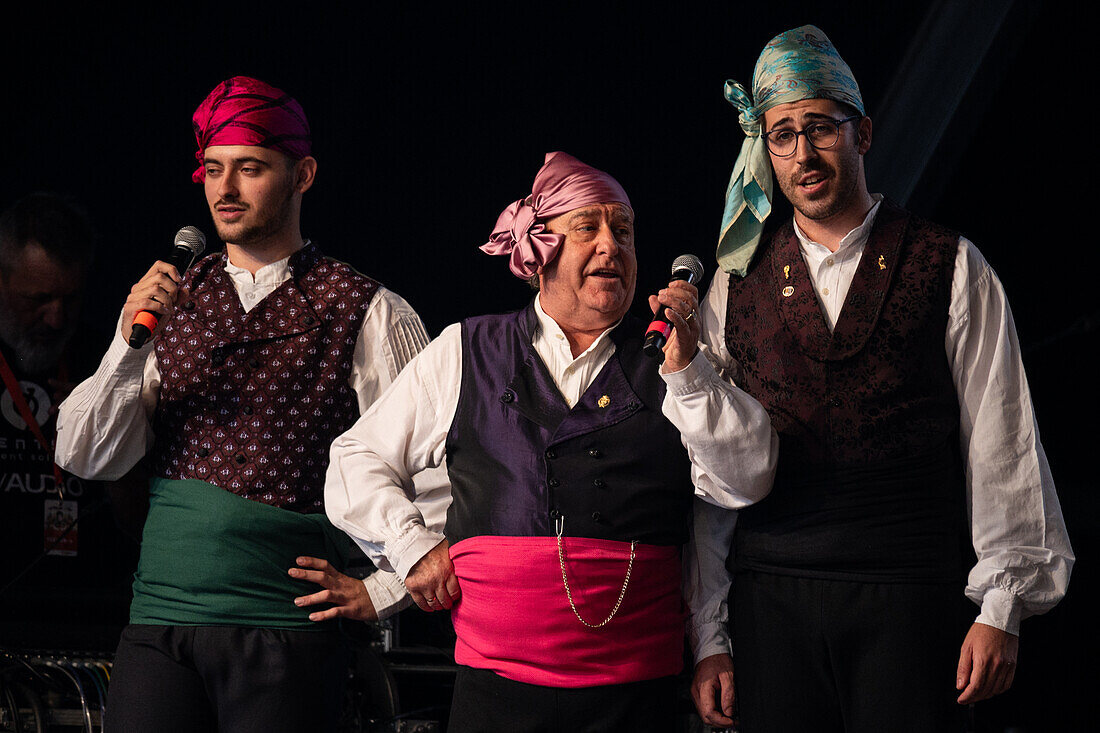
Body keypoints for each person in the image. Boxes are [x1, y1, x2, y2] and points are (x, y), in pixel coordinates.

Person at [683, 25, 1075, 732]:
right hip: (772, 606)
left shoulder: (950, 264)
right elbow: (714, 479)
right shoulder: (733, 286)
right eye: (781, 134)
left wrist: (1002, 607)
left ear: (861, 132)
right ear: (764, 150)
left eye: (819, 127)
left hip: (910, 599)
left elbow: (1002, 441)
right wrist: (710, 635)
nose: (802, 153)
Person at [324, 151, 778, 732]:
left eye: (624, 230)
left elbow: (740, 486)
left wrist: (689, 371)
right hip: (495, 694)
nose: (611, 245)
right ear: (539, 249)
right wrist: (411, 547)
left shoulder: (677, 362)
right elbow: (356, 458)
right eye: (587, 227)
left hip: (635, 694)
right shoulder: (465, 351)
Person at [55, 76, 446, 733]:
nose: (225, 190)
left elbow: (443, 470)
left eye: (250, 168)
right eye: (212, 169)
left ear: (303, 174)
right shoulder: (169, 299)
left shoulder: (367, 309)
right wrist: (126, 344)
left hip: (282, 633)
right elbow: (84, 455)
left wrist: (383, 589)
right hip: (161, 622)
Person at [0, 193, 140, 647]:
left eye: (69, 298)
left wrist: (106, 431)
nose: (56, 317)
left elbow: (139, 519)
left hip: (96, 613)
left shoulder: (107, 361)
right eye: (37, 299)